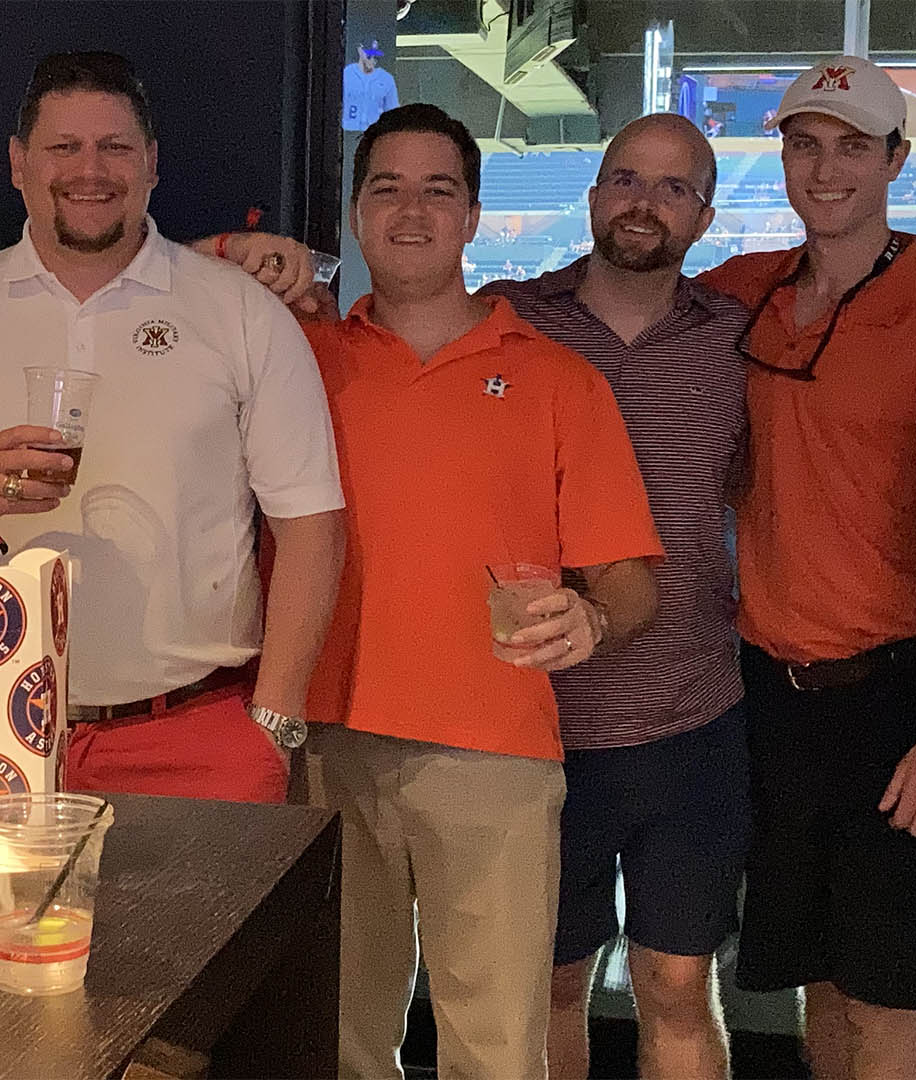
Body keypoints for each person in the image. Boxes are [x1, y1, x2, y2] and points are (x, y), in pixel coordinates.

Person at [0, 52, 345, 804]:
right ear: (16, 163)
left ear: (152, 165)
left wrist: (273, 723)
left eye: (115, 147)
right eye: (63, 148)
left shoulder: (240, 313)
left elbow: (311, 524)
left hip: (192, 738)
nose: (90, 170)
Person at [303, 103, 663, 1080]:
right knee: (340, 1043)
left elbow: (629, 582)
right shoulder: (300, 365)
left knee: (496, 1051)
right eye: (387, 187)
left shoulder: (556, 381)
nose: (411, 210)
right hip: (327, 743)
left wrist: (592, 618)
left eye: (439, 190)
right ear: (355, 214)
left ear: (472, 218)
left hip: (496, 756)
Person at [699, 56, 916, 1080]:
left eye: (853, 148)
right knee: (819, 980)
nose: (826, 170)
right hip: (772, 698)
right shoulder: (744, 293)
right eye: (806, 145)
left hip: (896, 701)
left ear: (897, 162)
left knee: (887, 996)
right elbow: (600, 305)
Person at [479, 113, 749, 1080]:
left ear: (704, 216)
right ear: (594, 197)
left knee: (677, 985)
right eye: (627, 178)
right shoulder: (506, 322)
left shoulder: (737, 340)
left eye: (675, 188)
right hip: (540, 729)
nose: (646, 201)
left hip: (691, 720)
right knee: (550, 985)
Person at [342, 41, 400, 133]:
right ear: (360, 51)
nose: (372, 60)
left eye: (375, 57)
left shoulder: (386, 79)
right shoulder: (346, 74)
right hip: (346, 132)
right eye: (369, 56)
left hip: (374, 134)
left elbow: (392, 112)